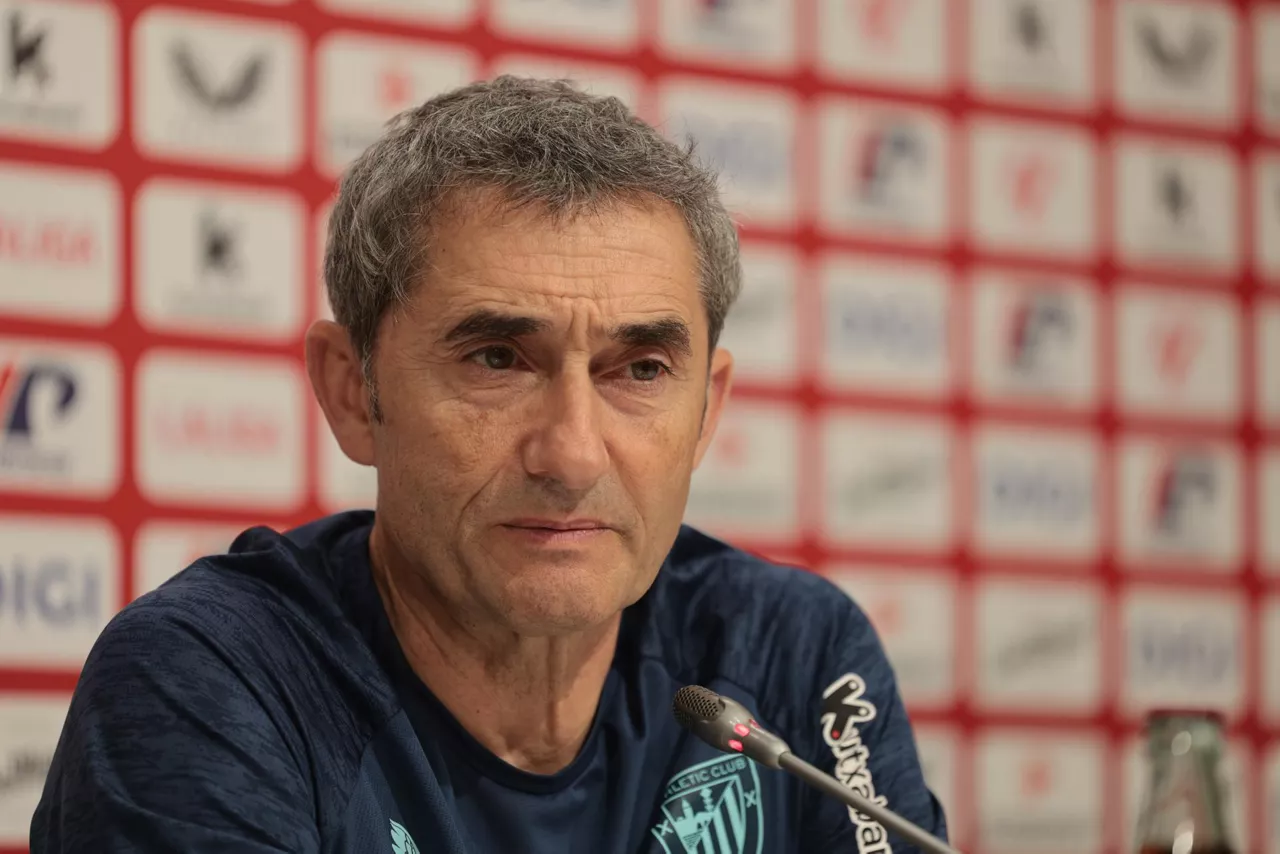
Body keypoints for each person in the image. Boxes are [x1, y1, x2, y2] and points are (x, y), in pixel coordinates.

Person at [31, 76, 947, 853]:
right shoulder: (216, 677)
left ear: (707, 409)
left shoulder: (787, 652)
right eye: (498, 360)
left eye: (640, 370)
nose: (572, 453)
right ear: (354, 391)